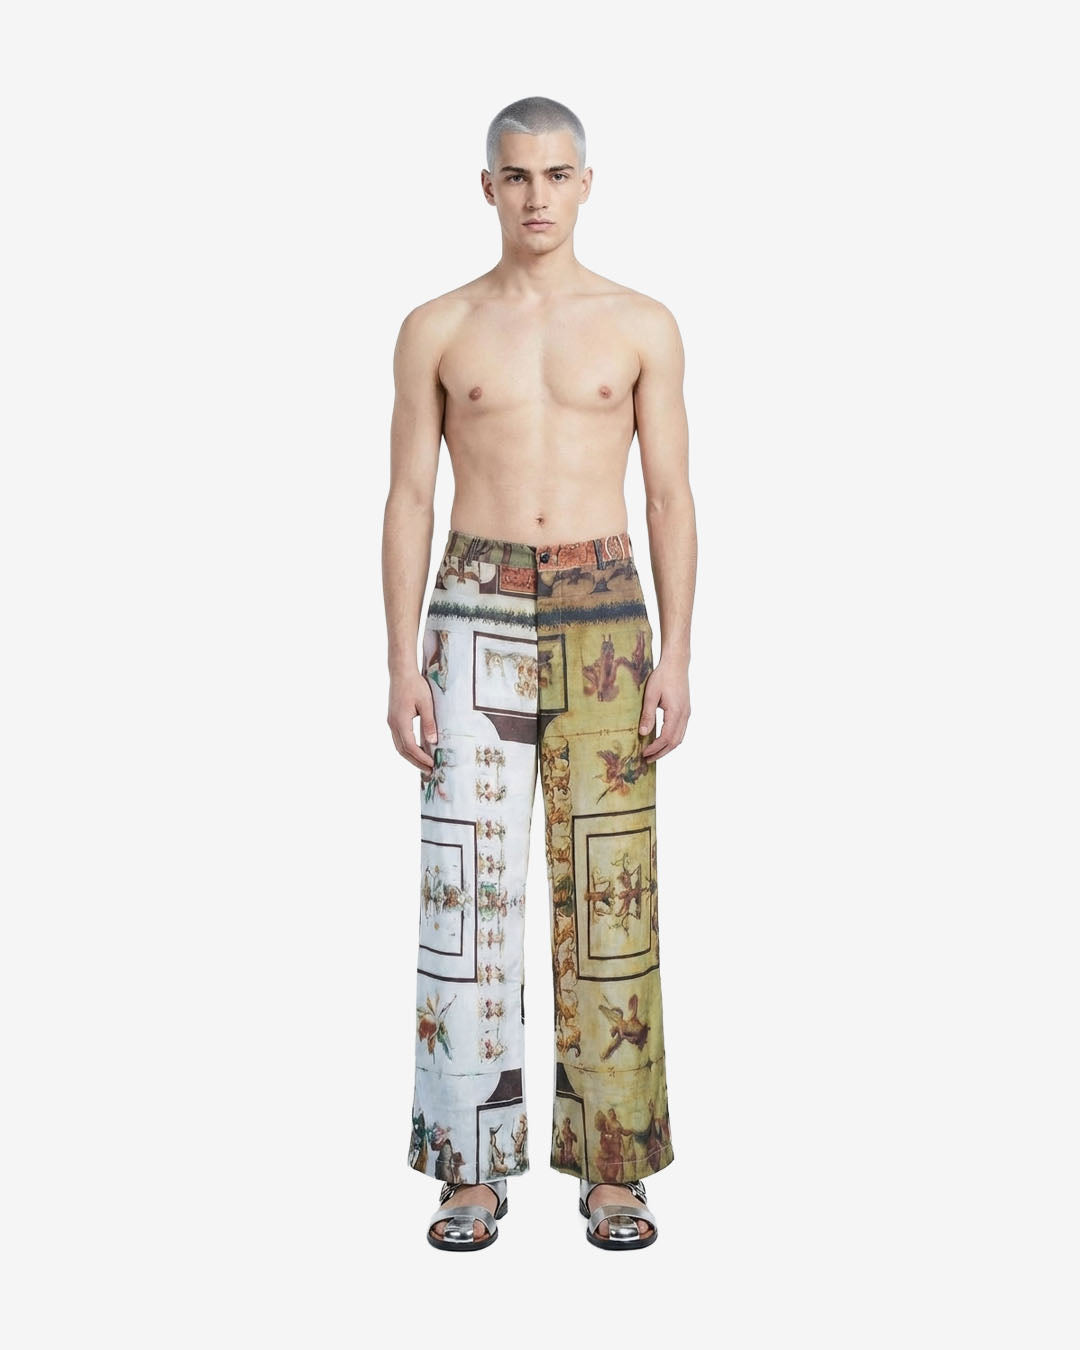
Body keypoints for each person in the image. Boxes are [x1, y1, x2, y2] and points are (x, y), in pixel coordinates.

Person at [383, 95, 697, 1251]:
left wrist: (678, 653)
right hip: (472, 606)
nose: (537, 197)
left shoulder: (640, 324)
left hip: (606, 609)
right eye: (517, 176)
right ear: (488, 187)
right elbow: (408, 497)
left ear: (586, 183)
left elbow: (669, 495)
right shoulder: (439, 326)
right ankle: (470, 1168)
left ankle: (614, 1169)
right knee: (465, 895)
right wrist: (399, 663)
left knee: (612, 895)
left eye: (557, 175)